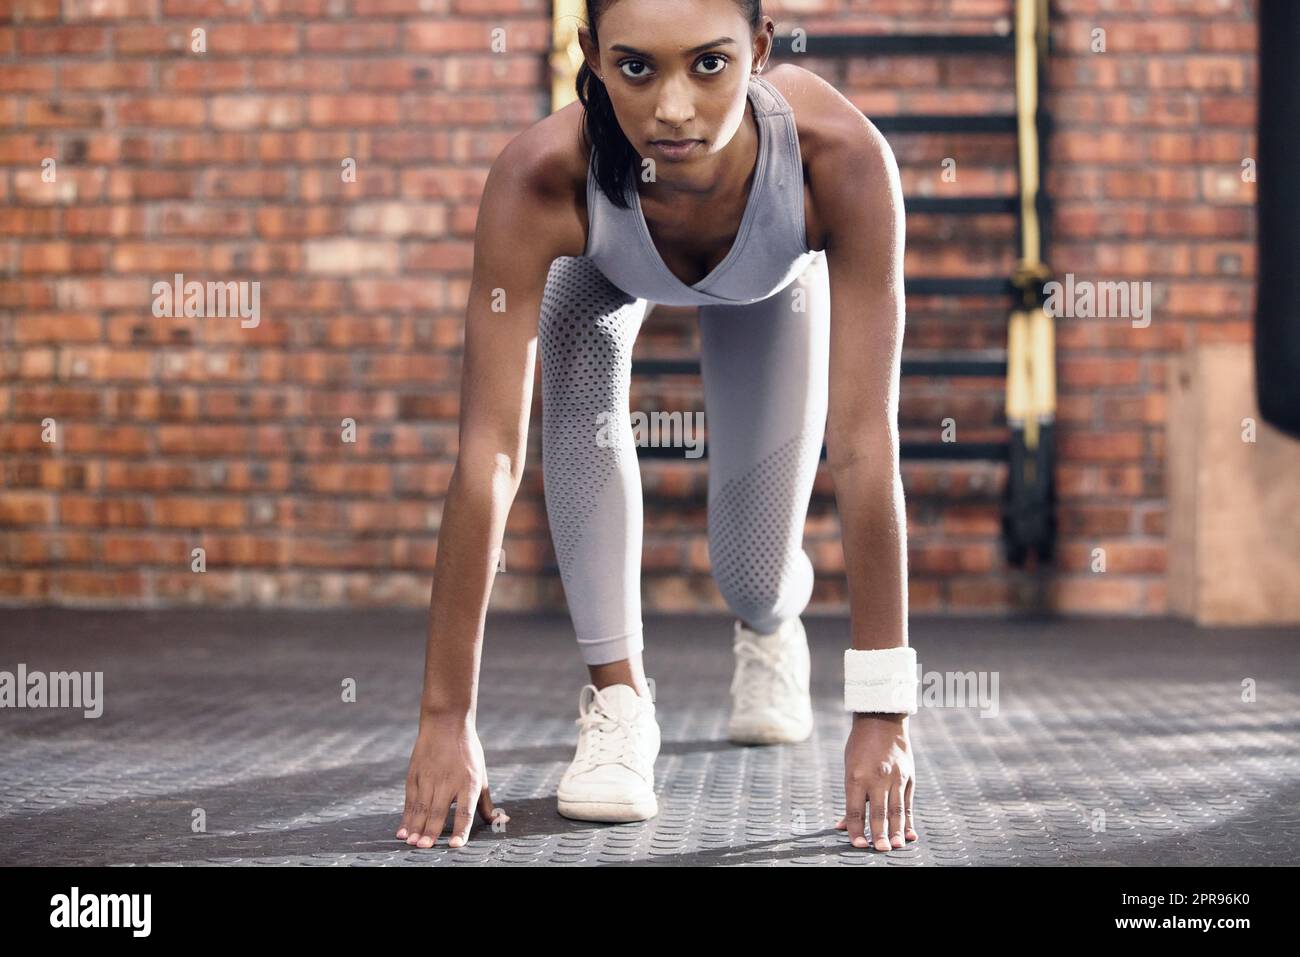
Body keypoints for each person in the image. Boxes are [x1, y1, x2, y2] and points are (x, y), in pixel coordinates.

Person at [396, 0, 918, 854]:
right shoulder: (541, 176)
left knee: (749, 568)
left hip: (770, 280)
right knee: (570, 318)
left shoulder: (841, 161)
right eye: (638, 67)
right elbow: (488, 455)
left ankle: (770, 623)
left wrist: (884, 710)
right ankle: (618, 700)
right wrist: (445, 717)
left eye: (708, 65)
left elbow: (866, 445)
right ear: (593, 55)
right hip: (601, 274)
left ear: (758, 49)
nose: (673, 108)